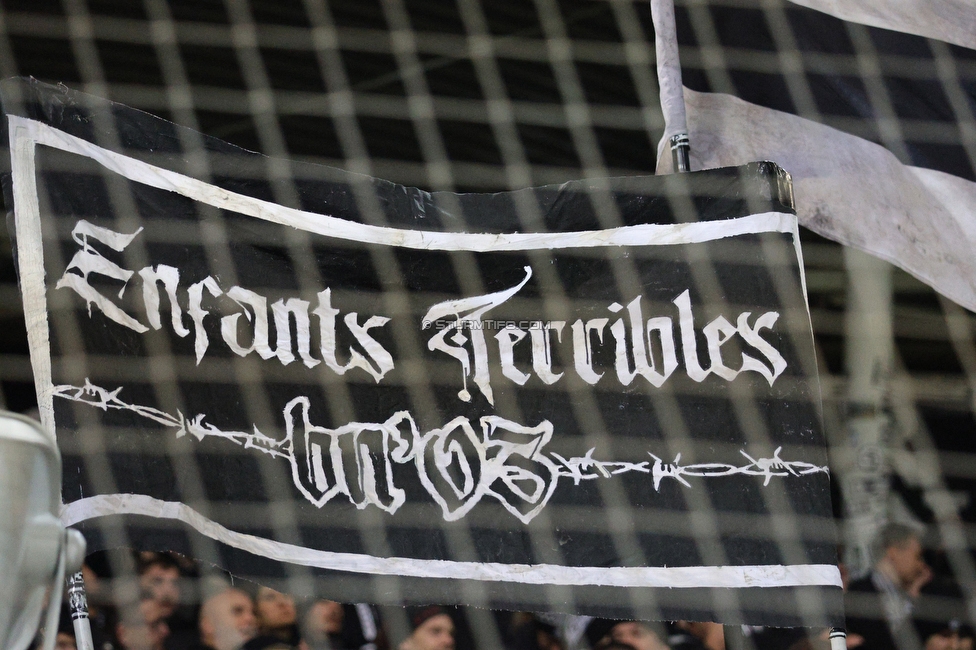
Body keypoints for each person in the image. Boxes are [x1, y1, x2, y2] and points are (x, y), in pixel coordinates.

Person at [845, 522, 932, 650]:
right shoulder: (859, 593)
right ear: (893, 552)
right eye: (918, 557)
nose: (921, 566)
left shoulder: (917, 595)